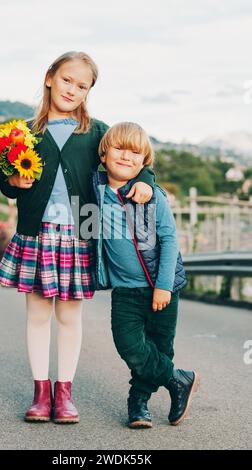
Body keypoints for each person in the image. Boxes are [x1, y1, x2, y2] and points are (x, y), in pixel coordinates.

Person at [0, 52, 155, 423]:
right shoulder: (23, 133)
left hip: (80, 234)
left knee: (69, 316)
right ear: (50, 77)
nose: (72, 89)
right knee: (37, 314)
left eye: (81, 86)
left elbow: (133, 160)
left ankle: (64, 393)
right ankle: (41, 393)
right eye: (67, 80)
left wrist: (145, 182)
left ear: (88, 92)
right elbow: (8, 182)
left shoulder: (98, 133)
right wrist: (11, 182)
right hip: (36, 234)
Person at [92, 121, 200, 428]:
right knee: (129, 345)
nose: (126, 156)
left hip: (161, 288)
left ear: (144, 162)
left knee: (160, 347)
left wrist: (163, 286)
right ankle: (178, 379)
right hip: (125, 290)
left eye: (135, 152)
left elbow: (169, 242)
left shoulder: (152, 196)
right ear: (103, 154)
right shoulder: (95, 193)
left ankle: (138, 403)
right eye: (119, 148)